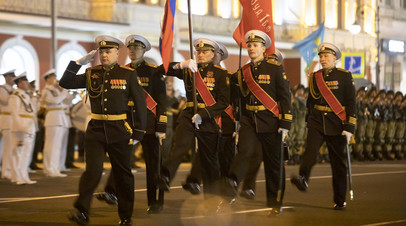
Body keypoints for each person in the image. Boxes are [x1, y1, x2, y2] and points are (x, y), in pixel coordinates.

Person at [60, 35, 147, 226]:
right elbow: (65, 82)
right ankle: (81, 211)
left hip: (119, 130)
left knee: (123, 175)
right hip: (96, 130)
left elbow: (140, 104)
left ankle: (126, 216)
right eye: (102, 52)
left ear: (117, 53)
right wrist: (76, 64)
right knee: (92, 171)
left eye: (108, 51)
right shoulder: (92, 73)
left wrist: (139, 132)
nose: (104, 55)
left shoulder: (128, 74)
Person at [97, 34, 167, 214]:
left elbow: (161, 100)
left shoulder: (154, 71)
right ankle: (112, 192)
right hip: (128, 124)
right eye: (130, 48)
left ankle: (155, 202)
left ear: (144, 50)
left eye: (136, 48)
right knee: (121, 161)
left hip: (150, 125)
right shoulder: (122, 70)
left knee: (153, 165)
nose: (132, 51)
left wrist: (161, 126)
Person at [227, 31, 292, 215]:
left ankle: (275, 202)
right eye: (249, 45)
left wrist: (285, 123)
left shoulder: (275, 68)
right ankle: (233, 179)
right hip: (249, 121)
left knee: (274, 165)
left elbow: (284, 97)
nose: (251, 48)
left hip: (271, 122)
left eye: (255, 45)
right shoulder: (242, 73)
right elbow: (236, 97)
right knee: (245, 150)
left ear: (264, 49)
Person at [158, 38, 230, 196]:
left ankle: (211, 198)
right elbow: (161, 70)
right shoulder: (189, 69)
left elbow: (224, 101)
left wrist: (203, 114)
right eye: (198, 51)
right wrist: (179, 65)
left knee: (209, 160)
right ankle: (165, 176)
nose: (200, 54)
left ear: (212, 54)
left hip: (208, 118)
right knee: (180, 146)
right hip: (189, 114)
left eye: (205, 52)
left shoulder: (220, 74)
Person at [290, 42, 356, 211]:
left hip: (337, 123)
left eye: (326, 56)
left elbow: (351, 103)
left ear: (335, 58)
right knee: (310, 151)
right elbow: (311, 102)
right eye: (321, 56)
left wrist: (349, 128)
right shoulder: (315, 76)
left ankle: (340, 200)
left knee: (337, 163)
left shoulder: (345, 76)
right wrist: (308, 122)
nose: (323, 59)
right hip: (317, 121)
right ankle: (303, 177)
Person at [41, 69, 72, 177]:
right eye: (53, 78)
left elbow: (67, 101)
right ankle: (49, 169)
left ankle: (55, 168)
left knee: (57, 146)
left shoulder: (56, 90)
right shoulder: (46, 91)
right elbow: (55, 101)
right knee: (51, 145)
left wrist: (63, 89)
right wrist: (63, 91)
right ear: (48, 79)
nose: (55, 80)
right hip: (53, 118)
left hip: (59, 118)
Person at [8, 73, 38, 184]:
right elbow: (14, 113)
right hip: (20, 127)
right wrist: (21, 127)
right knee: (18, 152)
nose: (28, 83)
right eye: (26, 81)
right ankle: (17, 177)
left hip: (29, 126)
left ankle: (24, 176)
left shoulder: (26, 95)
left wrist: (35, 99)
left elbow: (32, 111)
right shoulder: (15, 95)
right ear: (19, 83)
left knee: (26, 153)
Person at [0, 69, 16, 180]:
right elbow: (5, 100)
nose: (14, 80)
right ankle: (6, 171)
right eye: (12, 77)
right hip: (6, 118)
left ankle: (8, 169)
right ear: (7, 78)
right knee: (7, 147)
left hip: (13, 119)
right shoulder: (3, 89)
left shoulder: (13, 90)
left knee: (11, 147)